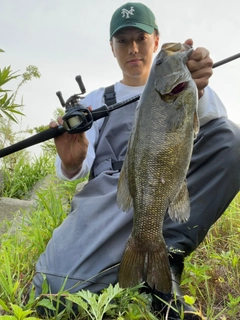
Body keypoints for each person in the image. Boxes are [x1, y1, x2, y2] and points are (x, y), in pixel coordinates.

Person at [33, 2, 240, 319]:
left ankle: (164, 265)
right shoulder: (94, 102)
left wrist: (196, 89)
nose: (133, 48)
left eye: (140, 39)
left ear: (156, 41)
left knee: (232, 138)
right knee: (53, 290)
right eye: (122, 40)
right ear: (112, 48)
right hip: (111, 202)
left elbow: (217, 136)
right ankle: (129, 267)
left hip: (165, 190)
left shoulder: (188, 88)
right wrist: (72, 162)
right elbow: (78, 168)